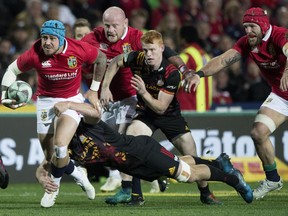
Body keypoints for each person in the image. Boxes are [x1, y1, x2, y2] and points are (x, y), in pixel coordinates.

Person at [36, 100, 253, 205]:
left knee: (187, 175)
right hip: (134, 166)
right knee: (178, 162)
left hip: (141, 152)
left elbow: (94, 112)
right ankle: (217, 162)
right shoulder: (67, 150)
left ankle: (230, 178)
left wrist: (69, 104)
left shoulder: (88, 125)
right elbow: (50, 164)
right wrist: (42, 176)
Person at [82, 6, 192, 193]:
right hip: (105, 100)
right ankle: (152, 175)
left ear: (125, 23)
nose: (110, 30)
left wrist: (185, 70)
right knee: (104, 143)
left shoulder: (135, 37)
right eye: (107, 25)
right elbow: (75, 49)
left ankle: (127, 188)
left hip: (129, 97)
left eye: (114, 26)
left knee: (126, 142)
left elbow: (165, 52)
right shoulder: (95, 37)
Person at [104, 30, 221, 206]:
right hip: (145, 114)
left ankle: (205, 193)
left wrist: (143, 91)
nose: (148, 54)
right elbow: (115, 61)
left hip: (170, 116)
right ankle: (134, 195)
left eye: (152, 50)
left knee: (192, 154)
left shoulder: (171, 73)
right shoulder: (136, 57)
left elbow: (160, 108)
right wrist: (105, 87)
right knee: (131, 143)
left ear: (162, 48)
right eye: (145, 50)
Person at [1, 19, 107, 208]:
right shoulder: (35, 53)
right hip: (45, 102)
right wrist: (4, 93)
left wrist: (94, 89)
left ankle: (53, 190)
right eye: (44, 38)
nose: (47, 42)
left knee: (60, 146)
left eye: (51, 38)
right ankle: (76, 172)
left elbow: (101, 59)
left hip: (72, 101)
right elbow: (12, 69)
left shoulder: (79, 49)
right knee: (52, 158)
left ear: (60, 38)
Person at [183, 7, 285, 200]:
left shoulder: (280, 35)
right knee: (258, 132)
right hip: (281, 96)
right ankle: (273, 179)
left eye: (252, 26)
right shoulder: (247, 42)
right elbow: (222, 60)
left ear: (263, 25)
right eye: (245, 26)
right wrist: (199, 74)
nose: (248, 31)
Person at [176, 25, 213, 111]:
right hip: (205, 108)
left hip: (189, 108)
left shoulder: (186, 56)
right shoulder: (205, 56)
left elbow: (175, 80)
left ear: (183, 39)